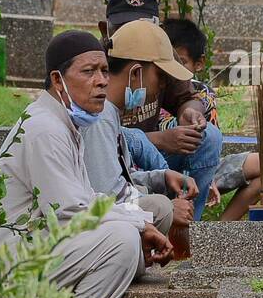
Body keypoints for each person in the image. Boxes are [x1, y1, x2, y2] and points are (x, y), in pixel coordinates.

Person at [0, 31, 173, 298]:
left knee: (134, 242)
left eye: (104, 71)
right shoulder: (46, 129)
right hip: (14, 258)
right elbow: (69, 210)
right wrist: (135, 225)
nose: (101, 81)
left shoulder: (66, 124)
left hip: (44, 242)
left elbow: (87, 198)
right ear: (57, 80)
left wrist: (142, 224)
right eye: (88, 71)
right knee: (123, 241)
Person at [98, 0, 224, 220]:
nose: (138, 36)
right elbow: (103, 190)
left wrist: (190, 113)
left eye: (146, 28)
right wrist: (161, 141)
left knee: (209, 137)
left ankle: (185, 226)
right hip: (116, 162)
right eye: (128, 28)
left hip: (134, 159)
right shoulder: (94, 73)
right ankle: (171, 218)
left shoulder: (158, 56)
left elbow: (187, 98)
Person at [82, 20, 200, 236]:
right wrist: (170, 209)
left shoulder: (109, 114)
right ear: (135, 73)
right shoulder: (100, 118)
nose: (163, 86)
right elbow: (107, 197)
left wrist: (162, 176)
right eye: (161, 77)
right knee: (161, 208)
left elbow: (119, 180)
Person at [161, 18, 263, 221]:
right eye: (168, 60)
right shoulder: (153, 88)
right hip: (162, 169)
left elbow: (210, 142)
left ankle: (220, 229)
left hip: (201, 169)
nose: (174, 69)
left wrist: (208, 178)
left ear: (198, 64)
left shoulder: (202, 93)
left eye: (181, 62)